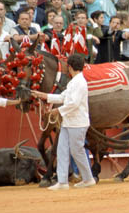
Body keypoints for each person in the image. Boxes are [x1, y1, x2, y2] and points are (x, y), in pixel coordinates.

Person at [31, 54, 96, 190]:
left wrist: (57, 111)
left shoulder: (79, 82)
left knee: (76, 151)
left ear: (70, 67)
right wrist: (43, 95)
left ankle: (88, 178)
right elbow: (62, 97)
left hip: (77, 122)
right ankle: (62, 181)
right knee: (62, 149)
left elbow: (73, 103)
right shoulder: (74, 81)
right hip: (70, 122)